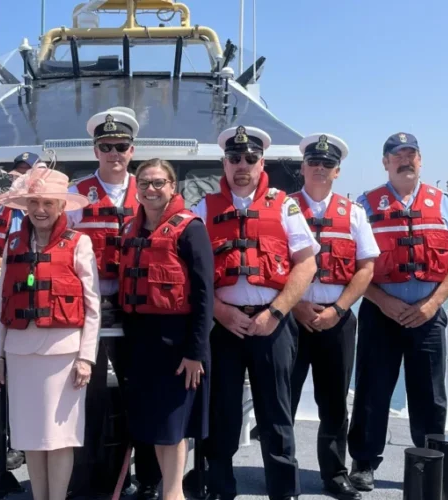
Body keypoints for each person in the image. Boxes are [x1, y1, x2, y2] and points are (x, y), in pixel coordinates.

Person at [192, 125, 319, 500]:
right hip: (224, 326)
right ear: (225, 163)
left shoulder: (285, 206)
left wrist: (276, 313)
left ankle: (284, 490)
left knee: (276, 410)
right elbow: (190, 270)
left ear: (261, 163)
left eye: (250, 158)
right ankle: (219, 486)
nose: (242, 165)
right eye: (234, 158)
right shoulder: (204, 208)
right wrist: (219, 311)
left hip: (273, 324)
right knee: (222, 410)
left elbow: (306, 264)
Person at [347, 132, 448, 492]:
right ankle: (364, 463)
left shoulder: (444, 204)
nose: (405, 160)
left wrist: (432, 304)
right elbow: (351, 265)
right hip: (380, 313)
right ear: (385, 162)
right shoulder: (364, 206)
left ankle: (431, 464)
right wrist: (382, 300)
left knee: (430, 396)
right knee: (371, 392)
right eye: (397, 155)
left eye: (411, 154)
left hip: (427, 316)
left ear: (420, 160)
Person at [67, 106, 162, 499]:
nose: (114, 153)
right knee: (86, 395)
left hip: (138, 309)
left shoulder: (151, 192)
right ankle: (88, 478)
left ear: (132, 150)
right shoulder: (76, 196)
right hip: (89, 308)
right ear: (95, 150)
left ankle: (149, 479)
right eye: (106, 146)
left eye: (121, 146)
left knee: (141, 392)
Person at [0, 166, 99, 500]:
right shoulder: (13, 244)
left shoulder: (79, 243)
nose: (40, 209)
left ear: (62, 205)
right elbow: (2, 302)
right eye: (34, 202)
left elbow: (92, 305)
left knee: (61, 437)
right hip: (20, 354)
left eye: (48, 202)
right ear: (25, 205)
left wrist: (86, 358)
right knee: (31, 436)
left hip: (64, 356)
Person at [286, 134, 379, 500]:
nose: (320, 169)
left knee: (335, 402)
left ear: (337, 171)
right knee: (283, 399)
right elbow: (270, 264)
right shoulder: (282, 208)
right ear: (302, 167)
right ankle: (282, 470)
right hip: (291, 320)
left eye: (327, 164)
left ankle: (334, 474)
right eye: (314, 162)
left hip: (337, 321)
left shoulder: (354, 213)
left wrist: (338, 309)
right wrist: (296, 306)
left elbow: (366, 268)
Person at [118, 159, 214, 500]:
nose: (151, 189)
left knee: (172, 428)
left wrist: (195, 352)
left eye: (159, 182)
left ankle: (173, 495)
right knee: (156, 426)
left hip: (177, 342)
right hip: (141, 342)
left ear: (173, 187)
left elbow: (204, 294)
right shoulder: (132, 229)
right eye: (144, 183)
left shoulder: (191, 229)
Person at [0, 152, 38, 259]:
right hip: (2, 266)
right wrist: (3, 263)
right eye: (18, 175)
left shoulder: (51, 208)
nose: (22, 179)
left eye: (27, 174)